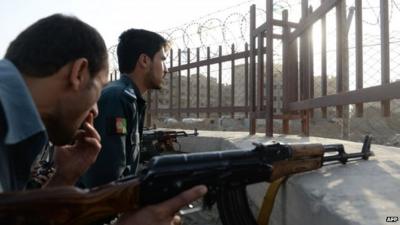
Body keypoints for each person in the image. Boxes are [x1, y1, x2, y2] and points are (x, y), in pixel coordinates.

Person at [0, 14, 206, 225]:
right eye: (98, 89)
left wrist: (62, 179)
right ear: (78, 73)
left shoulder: (19, 130)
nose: (96, 110)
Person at [81, 29, 169, 187]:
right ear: (144, 60)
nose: (166, 69)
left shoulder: (128, 98)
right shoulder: (118, 98)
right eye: (162, 59)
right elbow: (109, 177)